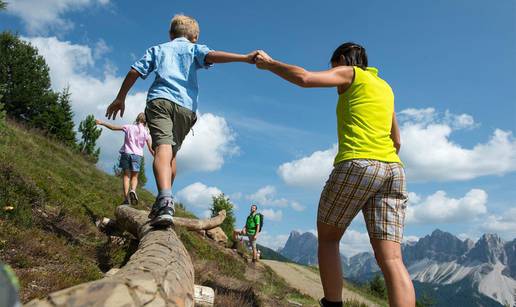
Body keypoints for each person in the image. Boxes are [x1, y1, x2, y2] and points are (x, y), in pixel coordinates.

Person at [255, 44, 415, 307]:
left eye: (332, 65)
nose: (332, 71)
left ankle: (332, 304)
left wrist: (270, 64)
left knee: (329, 238)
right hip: (394, 170)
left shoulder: (351, 73)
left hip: (359, 163)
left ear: (341, 60)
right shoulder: (385, 88)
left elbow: (304, 78)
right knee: (392, 259)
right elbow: (396, 140)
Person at [105, 14, 257, 227]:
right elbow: (212, 55)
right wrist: (244, 57)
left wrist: (121, 97)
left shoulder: (158, 49)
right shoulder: (195, 49)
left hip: (160, 101)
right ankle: (165, 200)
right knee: (171, 154)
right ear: (194, 37)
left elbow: (135, 71)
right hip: (186, 109)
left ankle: (165, 200)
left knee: (163, 149)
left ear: (170, 34)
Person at [96, 112, 154, 205]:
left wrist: (102, 123)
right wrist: (157, 157)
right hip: (137, 155)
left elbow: (113, 127)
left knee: (126, 176)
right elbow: (151, 149)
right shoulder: (146, 133)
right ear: (146, 121)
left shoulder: (128, 127)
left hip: (126, 153)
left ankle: (126, 199)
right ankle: (133, 191)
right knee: (135, 176)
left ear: (137, 119)